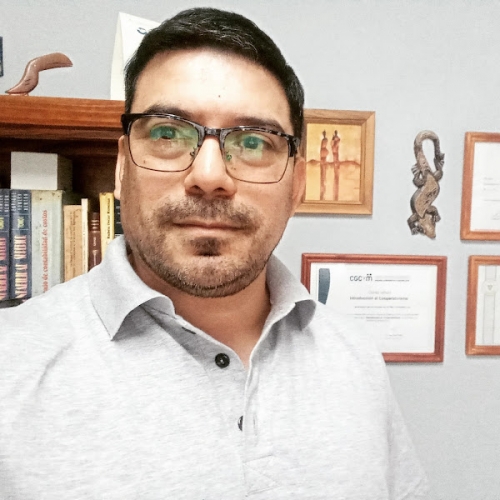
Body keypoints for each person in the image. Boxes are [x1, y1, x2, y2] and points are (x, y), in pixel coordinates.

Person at [0, 7, 429, 499]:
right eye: (166, 133)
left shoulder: (355, 360)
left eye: (254, 142)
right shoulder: (11, 365)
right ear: (121, 168)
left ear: (297, 186)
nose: (209, 176)